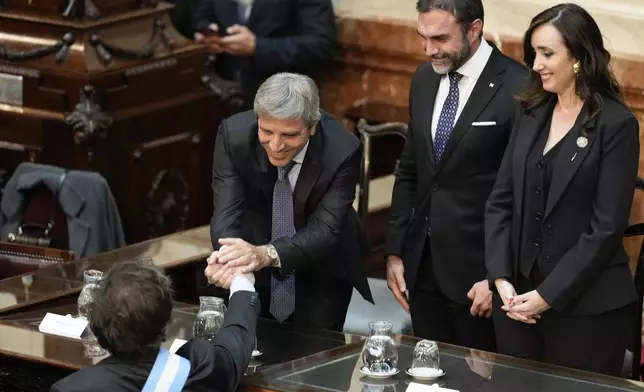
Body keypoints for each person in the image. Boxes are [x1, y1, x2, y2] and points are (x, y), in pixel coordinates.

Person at [485, 3, 639, 376]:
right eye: (533, 53)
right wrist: (501, 280)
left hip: (586, 314)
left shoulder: (616, 125)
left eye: (547, 53)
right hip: (515, 307)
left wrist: (546, 297)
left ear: (579, 58)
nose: (535, 64)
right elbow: (500, 203)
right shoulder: (529, 112)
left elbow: (604, 230)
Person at [385, 0, 526, 351]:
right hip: (422, 268)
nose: (429, 49)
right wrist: (396, 251)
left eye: (440, 38)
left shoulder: (519, 86)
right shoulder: (423, 79)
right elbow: (411, 168)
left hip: (478, 276)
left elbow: (523, 194)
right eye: (423, 37)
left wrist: (497, 276)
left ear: (474, 28)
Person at [202, 72, 373, 332]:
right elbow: (227, 211)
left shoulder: (342, 149)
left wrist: (266, 254)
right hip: (254, 256)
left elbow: (325, 230)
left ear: (312, 126)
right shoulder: (233, 135)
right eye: (267, 131)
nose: (276, 144)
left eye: (290, 135)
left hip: (321, 268)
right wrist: (229, 258)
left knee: (316, 361)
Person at [51, 261, 260, 392]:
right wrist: (242, 285)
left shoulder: (72, 388)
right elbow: (235, 343)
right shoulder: (200, 370)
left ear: (96, 326)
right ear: (167, 318)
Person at [193, 0, 337, 110]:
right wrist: (207, 32)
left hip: (284, 104)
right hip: (225, 101)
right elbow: (204, 15)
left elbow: (320, 44)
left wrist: (257, 47)